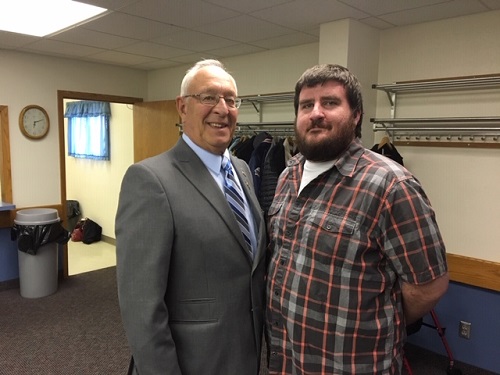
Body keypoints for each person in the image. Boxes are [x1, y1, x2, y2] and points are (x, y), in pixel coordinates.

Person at [265, 64, 449, 374]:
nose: (316, 113)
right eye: (306, 105)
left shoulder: (390, 185)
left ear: (357, 115)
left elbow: (429, 286)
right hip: (286, 360)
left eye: (330, 102)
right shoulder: (287, 176)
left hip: (352, 364)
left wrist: (374, 319)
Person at [116, 59, 267, 375]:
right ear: (182, 107)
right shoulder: (150, 180)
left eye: (230, 99)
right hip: (192, 362)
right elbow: (142, 308)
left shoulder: (241, 171)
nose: (222, 108)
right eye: (209, 97)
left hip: (246, 352)